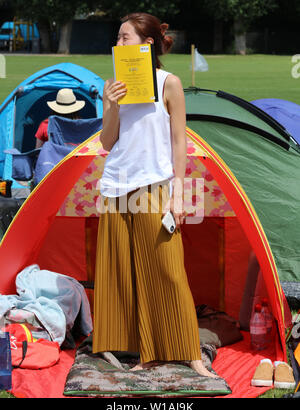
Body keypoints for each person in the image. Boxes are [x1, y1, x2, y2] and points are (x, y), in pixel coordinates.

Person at [93, 12, 216, 378]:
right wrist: (111, 104)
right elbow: (106, 142)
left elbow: (181, 142)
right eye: (117, 37)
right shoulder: (113, 84)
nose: (118, 44)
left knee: (168, 271)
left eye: (124, 37)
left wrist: (178, 194)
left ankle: (191, 352)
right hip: (116, 186)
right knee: (124, 273)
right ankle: (144, 352)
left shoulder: (169, 84)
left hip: (154, 187)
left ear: (146, 44)